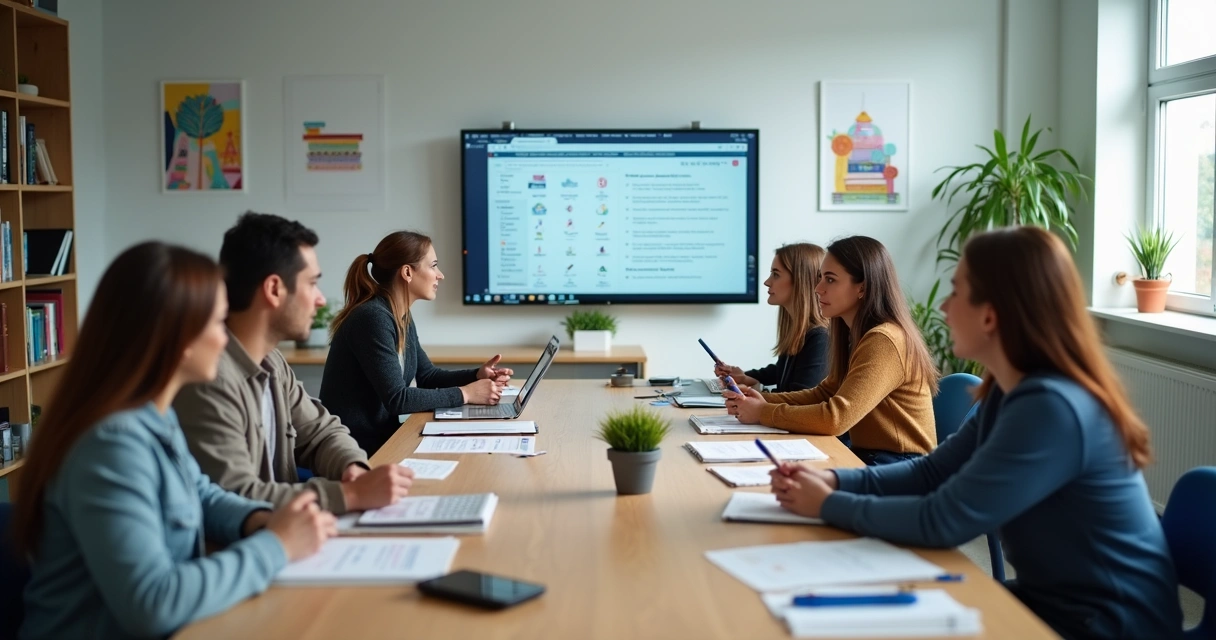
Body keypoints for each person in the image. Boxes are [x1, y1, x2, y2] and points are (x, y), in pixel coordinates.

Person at [770, 227, 1183, 639]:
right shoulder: (1011, 388)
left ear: (991, 314)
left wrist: (828, 504)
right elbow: (931, 473)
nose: (945, 308)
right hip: (1055, 601)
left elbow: (944, 521)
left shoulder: (1051, 406)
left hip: (1108, 623)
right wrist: (834, 479)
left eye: (956, 292)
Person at [15, 242, 336, 639]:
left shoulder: (153, 416)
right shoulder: (111, 447)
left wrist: (263, 520)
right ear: (180, 338)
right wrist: (277, 546)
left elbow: (201, 493)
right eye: (220, 324)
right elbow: (153, 603)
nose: (226, 340)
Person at [175, 212, 413, 515]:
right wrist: (349, 495)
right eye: (311, 284)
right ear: (274, 289)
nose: (320, 300)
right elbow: (235, 496)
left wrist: (353, 467)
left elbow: (320, 431)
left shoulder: (271, 360)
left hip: (290, 532)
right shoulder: (210, 379)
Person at [723, 236, 937, 465]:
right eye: (820, 279)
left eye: (830, 280)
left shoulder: (884, 340)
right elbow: (824, 393)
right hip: (872, 456)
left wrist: (763, 412)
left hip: (901, 464)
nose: (818, 289)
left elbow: (837, 418)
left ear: (862, 288)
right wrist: (759, 400)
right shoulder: (854, 334)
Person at [320, 231, 511, 453]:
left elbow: (428, 376)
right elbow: (398, 399)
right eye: (433, 266)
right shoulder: (372, 318)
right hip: (354, 450)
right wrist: (466, 393)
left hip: (382, 439)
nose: (440, 275)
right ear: (408, 272)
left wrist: (476, 375)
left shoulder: (400, 316)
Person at [714, 243, 830, 392]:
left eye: (776, 274)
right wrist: (744, 377)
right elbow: (781, 372)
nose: (767, 282)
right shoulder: (799, 332)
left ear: (800, 281)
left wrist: (754, 391)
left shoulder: (821, 339)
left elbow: (798, 401)